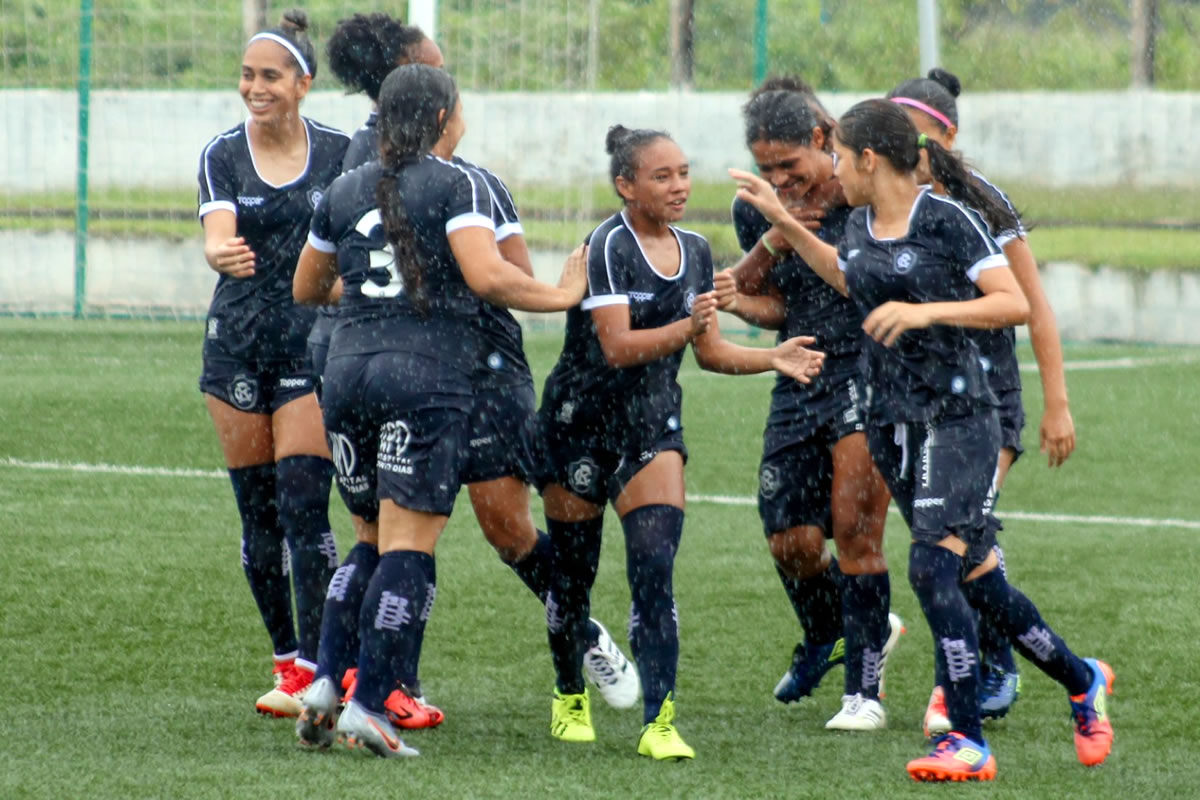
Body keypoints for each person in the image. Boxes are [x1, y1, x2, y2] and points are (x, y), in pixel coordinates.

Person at [731, 98, 1113, 782]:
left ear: (870, 160)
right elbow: (848, 276)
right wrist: (784, 221)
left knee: (932, 568)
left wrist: (925, 310)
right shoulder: (861, 223)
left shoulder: (948, 219)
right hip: (892, 421)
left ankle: (965, 738)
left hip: (960, 418)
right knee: (976, 577)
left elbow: (1012, 301)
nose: (834, 172)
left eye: (841, 159)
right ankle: (1082, 679)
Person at [303, 16, 638, 734]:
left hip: (481, 377)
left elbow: (501, 276)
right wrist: (558, 293)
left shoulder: (477, 185)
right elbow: (496, 278)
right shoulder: (380, 177)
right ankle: (375, 690)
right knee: (395, 538)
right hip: (419, 372)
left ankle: (582, 634)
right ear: (439, 117)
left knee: (506, 532)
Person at [539, 124, 825, 761]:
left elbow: (710, 350)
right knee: (573, 576)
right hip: (577, 425)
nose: (679, 186)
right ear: (626, 185)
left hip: (651, 426)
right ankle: (569, 694)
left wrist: (771, 358)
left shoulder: (696, 250)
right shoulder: (607, 244)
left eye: (684, 173)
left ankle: (658, 721)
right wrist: (686, 324)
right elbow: (617, 348)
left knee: (654, 570)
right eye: (662, 176)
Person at [885, 67, 1078, 734]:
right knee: (954, 547)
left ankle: (973, 682)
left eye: (912, 133)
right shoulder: (886, 205)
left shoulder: (980, 203)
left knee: (947, 549)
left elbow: (1035, 308)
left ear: (946, 136)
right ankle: (1037, 669)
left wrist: (1057, 403)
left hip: (985, 403)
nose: (898, 145)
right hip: (918, 403)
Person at [714, 77, 902, 730]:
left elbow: (860, 289)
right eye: (766, 168)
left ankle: (864, 695)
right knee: (790, 540)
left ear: (822, 140)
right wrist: (742, 299)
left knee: (855, 530)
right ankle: (834, 631)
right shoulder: (759, 210)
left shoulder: (866, 197)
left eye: (788, 165)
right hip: (799, 373)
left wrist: (785, 225)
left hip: (867, 372)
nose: (779, 180)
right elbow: (779, 304)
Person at [195, 9, 349, 717]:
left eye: (269, 76)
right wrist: (217, 252)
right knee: (258, 520)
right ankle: (288, 664)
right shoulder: (222, 154)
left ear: (304, 83)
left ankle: (322, 666)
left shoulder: (344, 154)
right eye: (247, 75)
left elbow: (359, 242)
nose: (254, 88)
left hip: (309, 346)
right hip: (236, 345)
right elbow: (217, 232)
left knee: (304, 508)